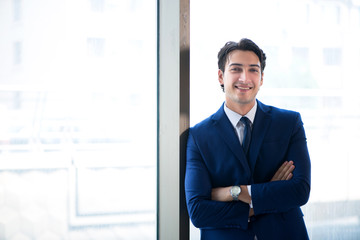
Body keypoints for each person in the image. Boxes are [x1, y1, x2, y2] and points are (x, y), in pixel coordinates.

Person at [185, 38, 311, 240]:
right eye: (236, 69)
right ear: (220, 76)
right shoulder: (199, 136)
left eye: (253, 70)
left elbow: (300, 191)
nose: (245, 78)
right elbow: (199, 212)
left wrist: (232, 192)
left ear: (261, 78)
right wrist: (269, 195)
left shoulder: (289, 123)